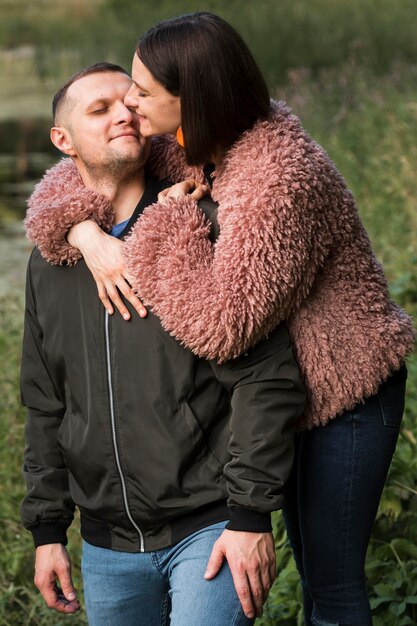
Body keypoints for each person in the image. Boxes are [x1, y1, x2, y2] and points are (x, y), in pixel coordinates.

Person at [23, 13, 415, 626]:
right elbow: (65, 177)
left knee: (331, 583)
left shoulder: (274, 178)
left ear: (191, 98)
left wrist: (163, 227)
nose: (129, 104)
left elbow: (223, 325)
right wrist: (85, 233)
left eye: (142, 92)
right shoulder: (191, 142)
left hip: (343, 388)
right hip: (282, 388)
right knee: (312, 569)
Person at [20, 61, 307, 626]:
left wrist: (249, 516)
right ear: (63, 140)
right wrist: (47, 530)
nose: (122, 113)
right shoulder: (51, 261)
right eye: (97, 110)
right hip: (107, 547)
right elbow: (45, 401)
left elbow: (266, 375)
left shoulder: (200, 219)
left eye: (127, 101)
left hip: (209, 527)